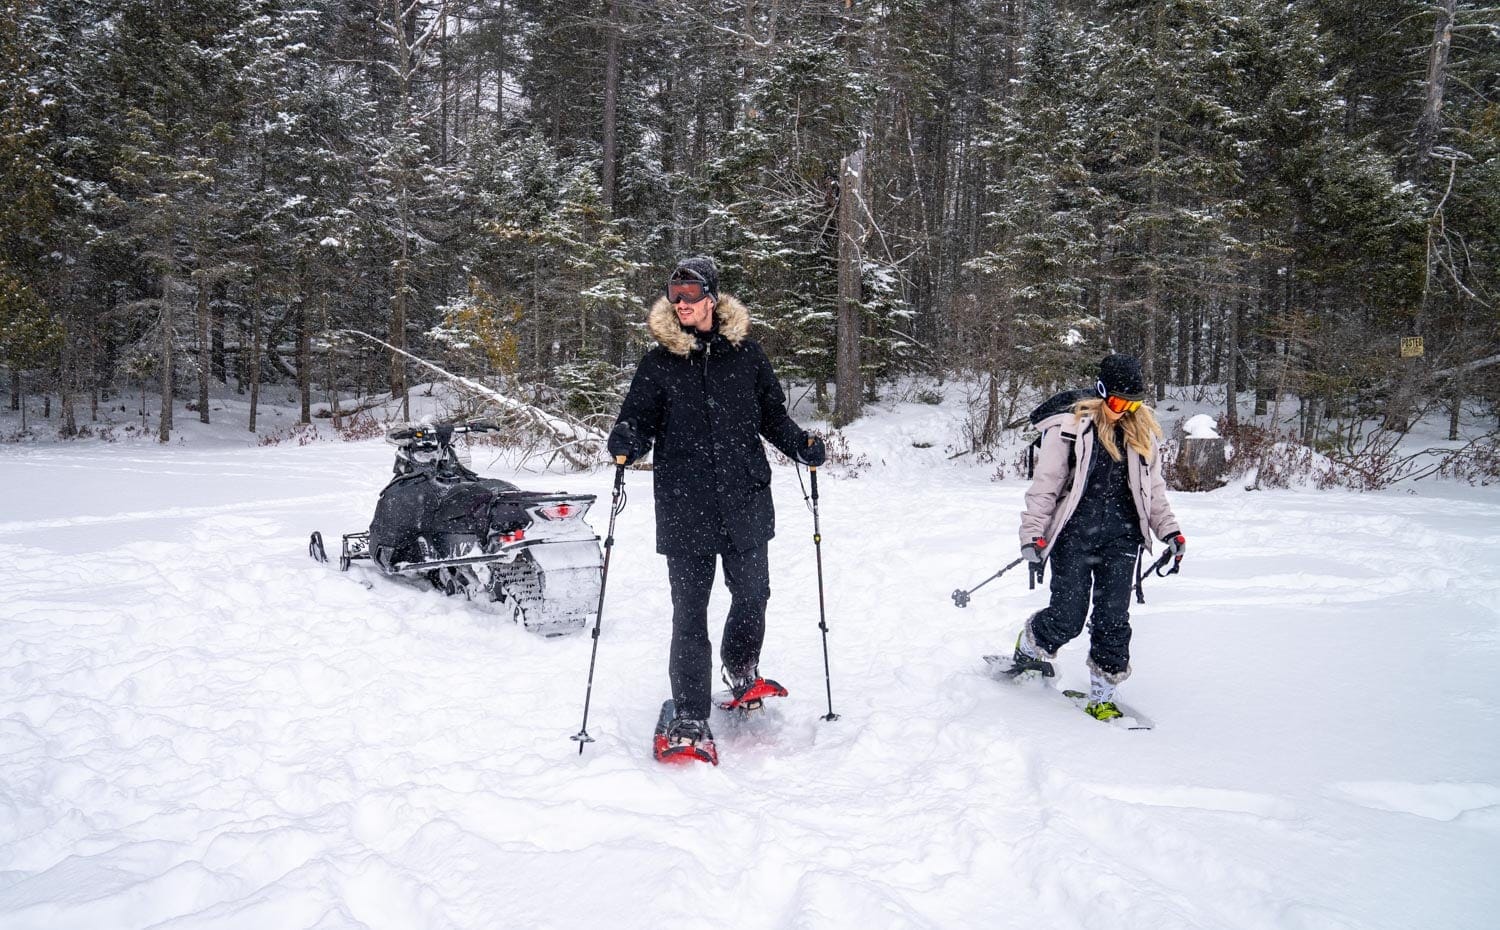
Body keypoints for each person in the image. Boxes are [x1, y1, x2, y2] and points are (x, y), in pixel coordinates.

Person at [607, 255, 825, 763]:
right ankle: (688, 711)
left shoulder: (746, 355)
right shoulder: (658, 362)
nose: (680, 303)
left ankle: (741, 668)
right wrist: (626, 440)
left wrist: (802, 445)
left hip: (745, 497)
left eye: (690, 294)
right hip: (686, 504)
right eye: (674, 294)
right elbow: (636, 421)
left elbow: (772, 415)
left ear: (712, 298)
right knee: (690, 612)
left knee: (753, 595)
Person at [1011, 353, 1185, 721]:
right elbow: (1046, 487)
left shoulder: (1142, 435)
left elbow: (1153, 491)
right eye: (1120, 402)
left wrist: (1170, 531)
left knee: (1113, 619)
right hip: (1075, 536)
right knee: (1068, 616)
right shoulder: (1069, 429)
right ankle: (1030, 646)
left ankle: (1103, 693)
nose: (1126, 410)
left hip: (1122, 540)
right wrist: (1032, 534)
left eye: (1134, 403)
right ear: (1103, 393)